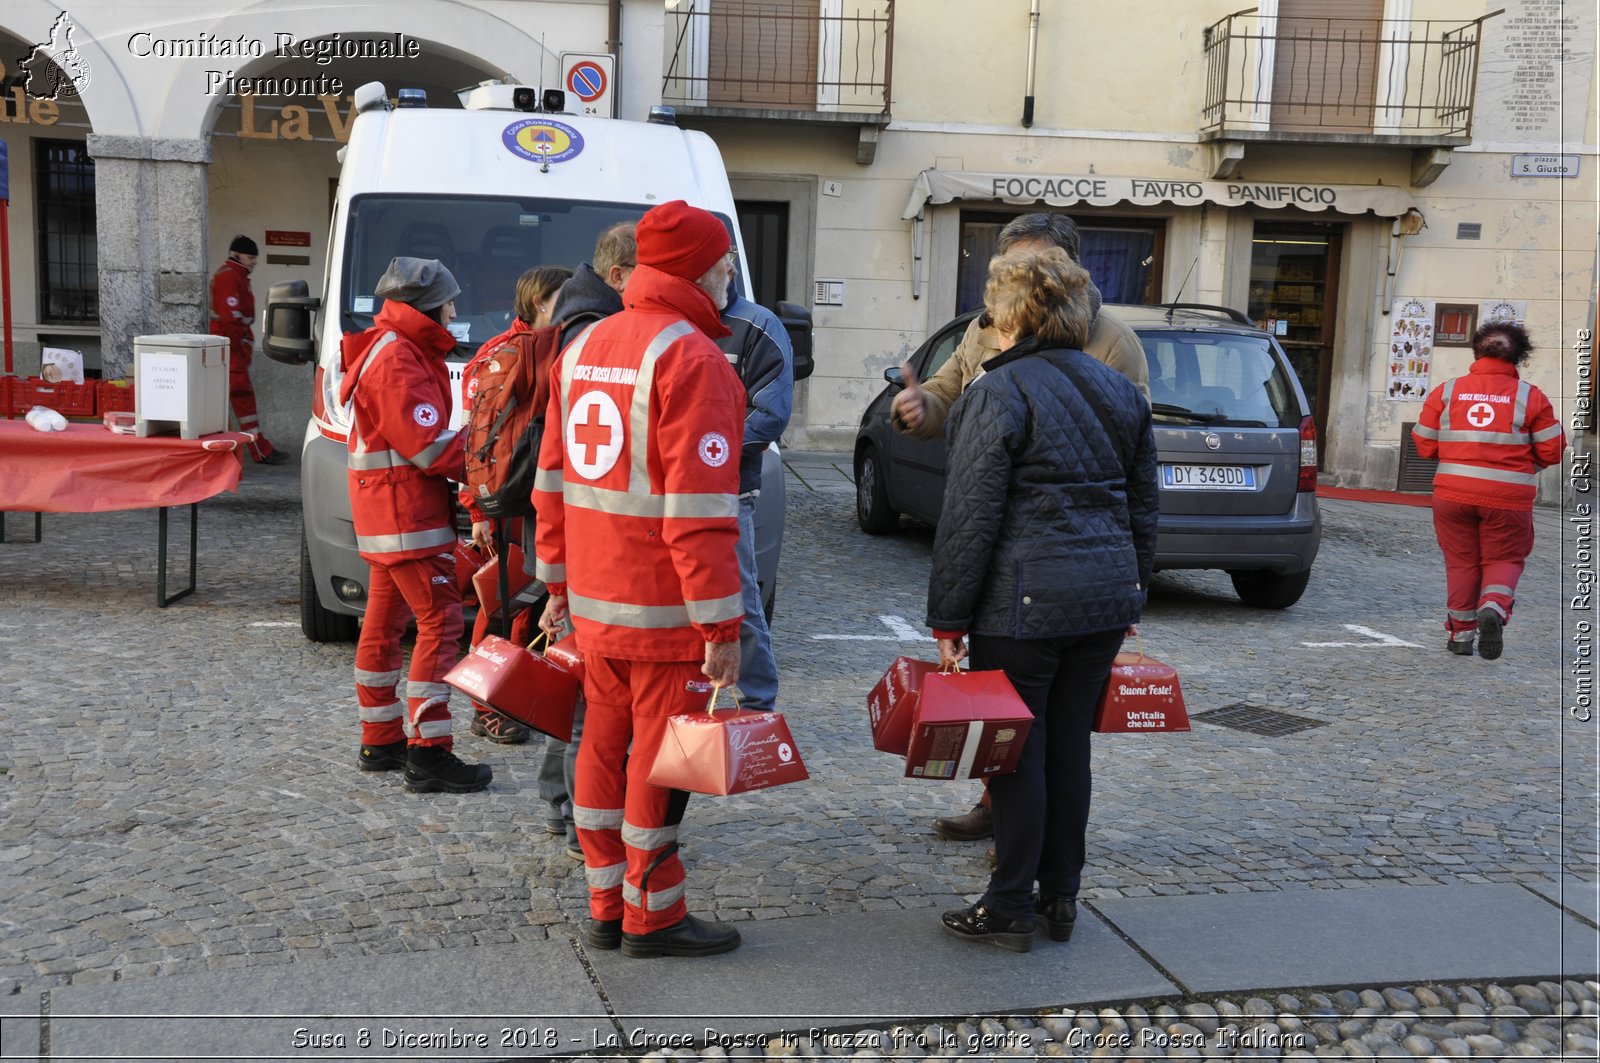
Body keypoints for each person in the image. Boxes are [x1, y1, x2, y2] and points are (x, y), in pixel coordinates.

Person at [927, 246, 1157, 952]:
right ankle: (1060, 896)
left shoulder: (997, 391)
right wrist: (1133, 594)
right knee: (1068, 750)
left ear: (1013, 314)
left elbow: (969, 515)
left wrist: (948, 617)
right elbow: (1143, 506)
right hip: (1099, 604)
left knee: (1015, 756)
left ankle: (1008, 904)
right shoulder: (1118, 388)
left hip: (1021, 606)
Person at [534, 200, 747, 958]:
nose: (729, 275)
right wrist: (724, 629)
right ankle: (651, 914)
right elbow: (699, 513)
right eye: (723, 262)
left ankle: (604, 901)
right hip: (663, 611)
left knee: (599, 745)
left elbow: (551, 481)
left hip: (594, 603)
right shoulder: (692, 358)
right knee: (657, 761)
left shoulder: (583, 346)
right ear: (699, 268)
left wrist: (555, 584)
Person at [342, 256, 492, 794]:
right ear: (428, 306)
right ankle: (429, 752)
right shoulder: (399, 357)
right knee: (441, 624)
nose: (455, 311)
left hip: (390, 515)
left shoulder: (392, 348)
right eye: (449, 302)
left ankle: (381, 739)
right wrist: (489, 460)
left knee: (382, 629)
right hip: (407, 518)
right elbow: (428, 446)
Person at [538, 221, 637, 857]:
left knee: (576, 688)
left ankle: (563, 807)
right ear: (623, 274)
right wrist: (559, 578)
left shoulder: (576, 324)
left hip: (572, 535)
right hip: (592, 541)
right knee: (588, 703)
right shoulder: (597, 334)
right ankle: (577, 817)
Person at [459, 265, 573, 746]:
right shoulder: (503, 354)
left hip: (541, 499)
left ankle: (518, 695)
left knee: (531, 603)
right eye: (559, 301)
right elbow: (475, 438)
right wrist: (478, 511)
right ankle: (486, 703)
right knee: (503, 605)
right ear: (537, 304)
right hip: (511, 501)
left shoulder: (555, 347)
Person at [1412, 322, 1565, 660]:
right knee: (1505, 557)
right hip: (1508, 498)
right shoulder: (1531, 397)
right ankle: (1494, 607)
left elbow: (1423, 442)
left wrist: (1455, 455)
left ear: (1476, 352)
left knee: (1461, 562)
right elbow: (1553, 451)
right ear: (1520, 357)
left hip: (1452, 494)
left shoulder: (1447, 391)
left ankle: (1461, 636)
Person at [716, 274, 793, 713]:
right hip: (668, 490)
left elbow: (770, 415)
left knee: (741, 597)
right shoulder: (672, 323)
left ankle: (758, 701)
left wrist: (704, 452)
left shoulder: (758, 325)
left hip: (733, 488)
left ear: (727, 266)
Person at [209, 235, 288, 464]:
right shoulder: (231, 277)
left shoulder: (234, 276)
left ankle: (251, 450)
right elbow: (230, 319)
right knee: (243, 402)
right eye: (251, 257)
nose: (254, 262)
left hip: (229, 350)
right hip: (231, 352)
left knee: (236, 405)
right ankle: (257, 450)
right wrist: (240, 349)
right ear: (236, 254)